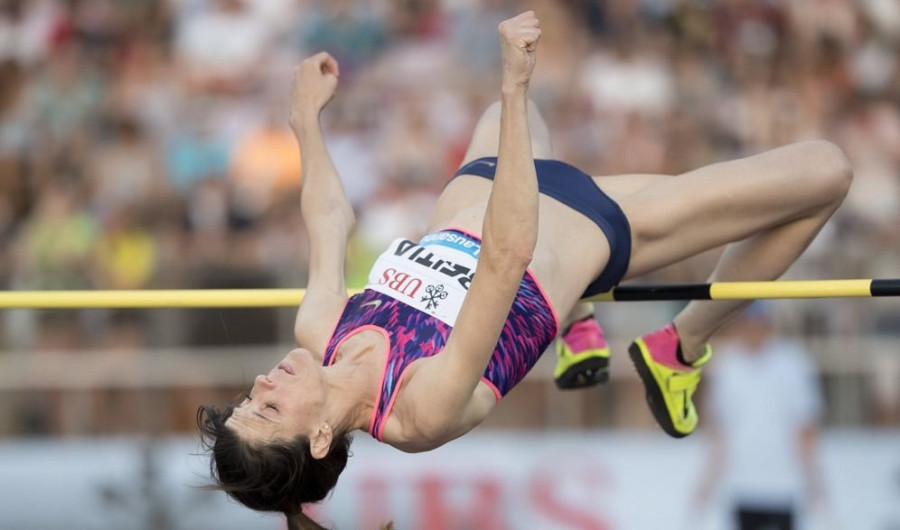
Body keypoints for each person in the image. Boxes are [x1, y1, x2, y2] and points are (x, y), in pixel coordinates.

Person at [197, 11, 853, 529]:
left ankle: (581, 313)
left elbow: (329, 221)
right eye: (268, 408)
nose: (262, 382)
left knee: (517, 118)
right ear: (316, 438)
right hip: (580, 229)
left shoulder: (321, 326)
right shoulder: (417, 411)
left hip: (482, 185)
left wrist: (304, 122)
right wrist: (513, 88)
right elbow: (506, 258)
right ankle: (681, 343)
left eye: (246, 398)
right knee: (824, 171)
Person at [691, 303, 829, 530]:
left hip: (784, 483)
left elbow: (805, 427)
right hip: (742, 483)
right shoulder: (727, 364)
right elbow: (719, 429)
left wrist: (813, 479)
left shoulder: (792, 362)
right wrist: (707, 481)